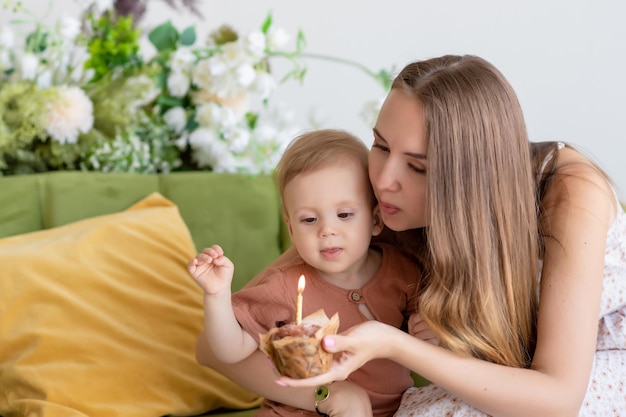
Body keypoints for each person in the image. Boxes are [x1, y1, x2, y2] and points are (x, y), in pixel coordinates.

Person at [196, 55, 626, 417]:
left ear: (467, 180)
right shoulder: (376, 208)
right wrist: (329, 395)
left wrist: (397, 346)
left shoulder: (569, 193)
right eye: (380, 146)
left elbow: (558, 398)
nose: (383, 180)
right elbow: (213, 351)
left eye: (418, 168)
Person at [188, 129, 422, 417]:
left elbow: (432, 332)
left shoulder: (402, 270)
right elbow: (229, 352)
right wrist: (217, 294)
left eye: (344, 214)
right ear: (291, 230)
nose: (327, 230)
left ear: (375, 219)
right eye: (309, 219)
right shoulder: (283, 285)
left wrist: (430, 332)